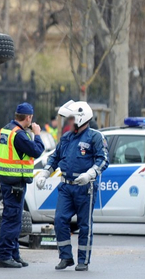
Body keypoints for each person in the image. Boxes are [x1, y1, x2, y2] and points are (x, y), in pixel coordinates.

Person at [35, 100, 108, 271]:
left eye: (71, 118)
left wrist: (90, 174)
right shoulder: (66, 137)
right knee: (60, 220)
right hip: (66, 187)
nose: (69, 121)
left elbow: (103, 159)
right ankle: (66, 257)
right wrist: (45, 173)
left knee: (84, 225)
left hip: (85, 187)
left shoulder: (95, 137)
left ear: (81, 118)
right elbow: (55, 157)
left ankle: (83, 260)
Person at [0, 102, 44, 269]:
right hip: (14, 183)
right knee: (11, 219)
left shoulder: (5, 130)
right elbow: (37, 151)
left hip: (7, 180)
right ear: (28, 117)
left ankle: (14, 254)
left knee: (14, 219)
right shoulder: (19, 135)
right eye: (31, 117)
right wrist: (37, 134)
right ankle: (5, 256)